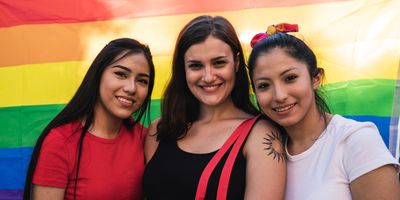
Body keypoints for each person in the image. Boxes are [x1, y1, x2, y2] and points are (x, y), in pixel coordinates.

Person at [248, 23, 400, 200]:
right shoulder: (261, 151)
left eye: (290, 78)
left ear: (315, 78)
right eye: (264, 85)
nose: (279, 95)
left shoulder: (356, 140)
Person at [143, 15, 286, 200]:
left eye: (219, 63)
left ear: (236, 62)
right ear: (183, 69)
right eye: (196, 66)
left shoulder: (261, 135)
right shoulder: (159, 130)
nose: (208, 76)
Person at [23, 38, 155, 200]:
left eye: (142, 81)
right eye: (121, 74)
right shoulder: (61, 141)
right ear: (98, 74)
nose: (131, 88)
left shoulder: (145, 137)